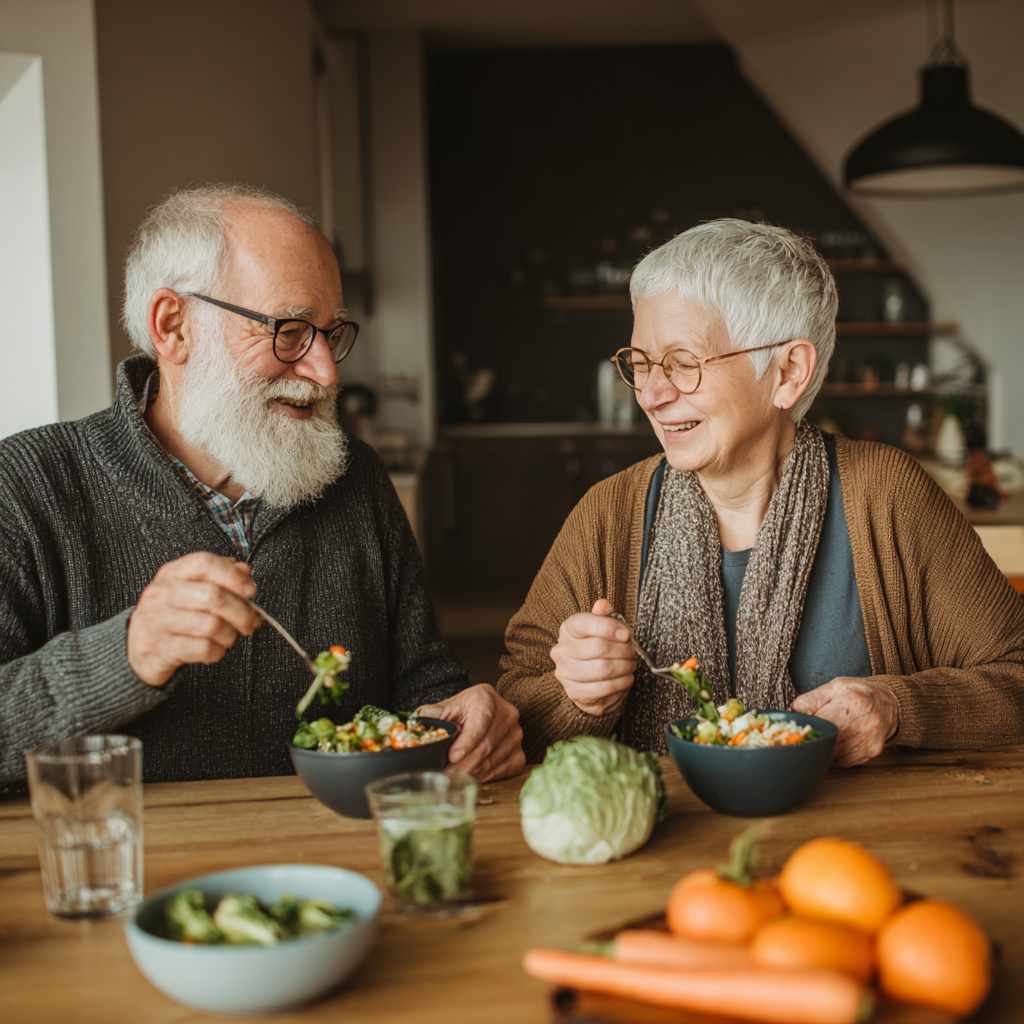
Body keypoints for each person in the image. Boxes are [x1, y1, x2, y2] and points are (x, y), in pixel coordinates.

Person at [0, 184, 524, 787]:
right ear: (173, 327)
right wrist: (126, 654)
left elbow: (423, 684)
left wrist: (463, 718)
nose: (325, 372)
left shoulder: (357, 477)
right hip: (129, 850)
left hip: (337, 846)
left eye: (331, 333)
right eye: (290, 331)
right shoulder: (25, 484)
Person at [497, 219, 1024, 766]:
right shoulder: (607, 513)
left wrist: (898, 708)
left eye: (682, 363)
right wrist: (577, 697)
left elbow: (1016, 670)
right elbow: (511, 712)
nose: (650, 395)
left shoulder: (889, 494)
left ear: (788, 372)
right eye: (641, 363)